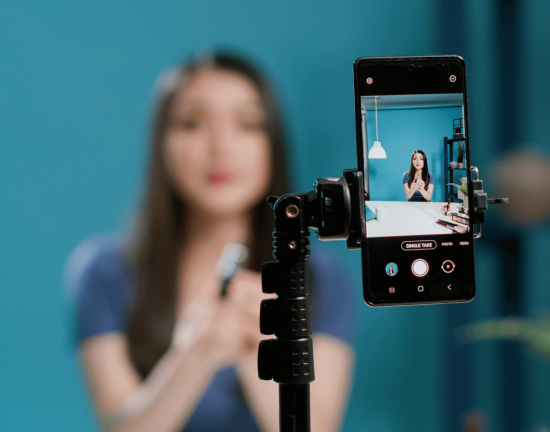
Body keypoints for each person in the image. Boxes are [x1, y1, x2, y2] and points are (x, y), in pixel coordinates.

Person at [65, 52, 355, 432]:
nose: (221, 147)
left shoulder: (321, 279)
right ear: (161, 142)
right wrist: (193, 354)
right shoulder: (104, 272)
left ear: (274, 144)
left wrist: (259, 345)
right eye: (192, 123)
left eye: (248, 124)